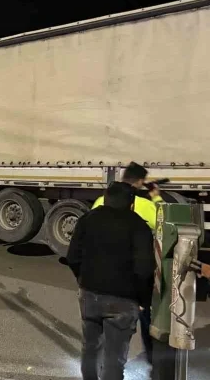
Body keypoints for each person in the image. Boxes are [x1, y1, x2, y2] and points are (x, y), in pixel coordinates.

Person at [67, 182, 155, 380]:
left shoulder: (87, 219)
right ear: (131, 203)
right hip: (123, 300)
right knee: (114, 357)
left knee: (90, 348)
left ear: (105, 199)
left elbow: (72, 257)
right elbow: (144, 270)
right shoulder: (139, 226)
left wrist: (83, 280)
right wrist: (143, 301)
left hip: (90, 294)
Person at [92, 162, 162, 363]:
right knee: (146, 316)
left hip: (106, 272)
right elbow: (167, 222)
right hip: (135, 276)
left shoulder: (99, 201)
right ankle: (152, 360)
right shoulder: (146, 206)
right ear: (140, 182)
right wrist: (156, 195)